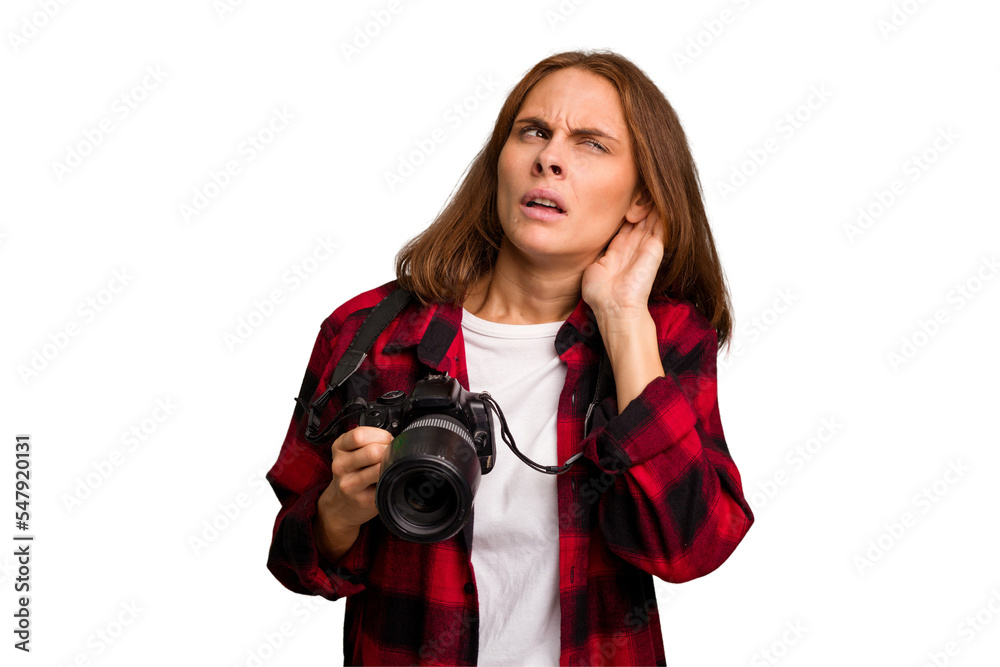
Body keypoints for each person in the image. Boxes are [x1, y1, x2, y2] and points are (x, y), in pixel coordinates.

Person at [265, 49, 754, 666]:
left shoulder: (667, 337)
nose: (549, 157)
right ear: (501, 160)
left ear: (640, 199)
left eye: (591, 143)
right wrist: (339, 511)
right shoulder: (369, 333)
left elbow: (690, 548)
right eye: (534, 131)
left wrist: (624, 318)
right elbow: (293, 561)